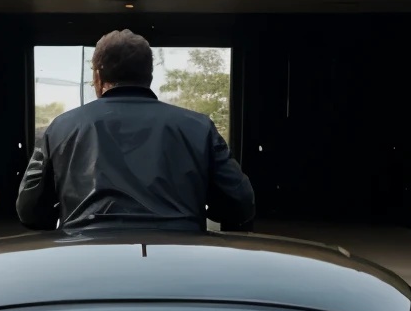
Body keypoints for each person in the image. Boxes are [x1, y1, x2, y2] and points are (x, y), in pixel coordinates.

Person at [17, 30, 255, 236]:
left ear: (98, 77)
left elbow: (29, 210)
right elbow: (241, 203)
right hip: (180, 261)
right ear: (149, 76)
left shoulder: (60, 128)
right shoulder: (199, 127)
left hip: (86, 260)